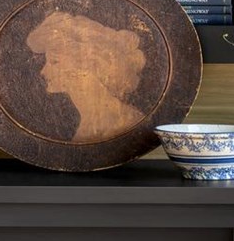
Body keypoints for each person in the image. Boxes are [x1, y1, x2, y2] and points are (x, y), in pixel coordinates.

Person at [26, 9, 147, 143]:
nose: (43, 71)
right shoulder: (89, 124)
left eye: (54, 61)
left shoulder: (122, 122)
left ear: (88, 63)